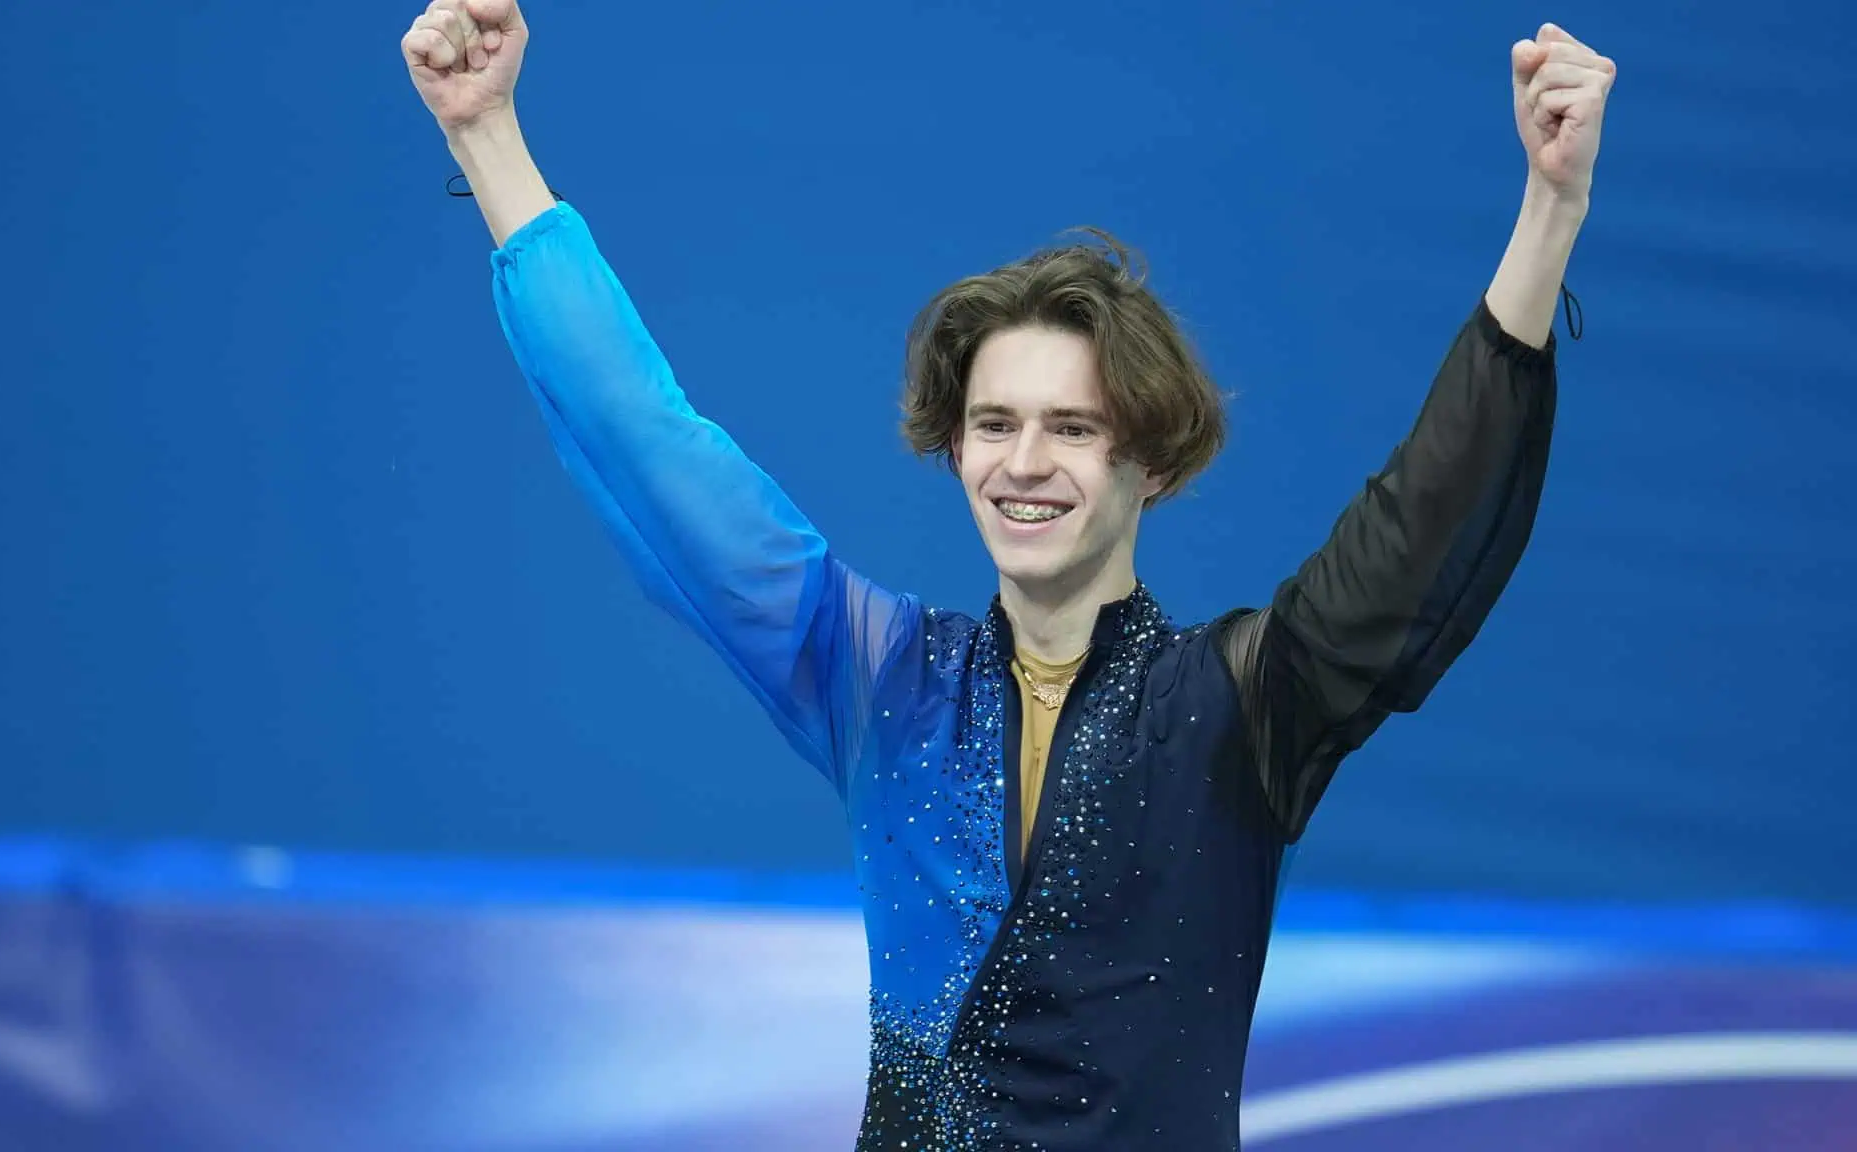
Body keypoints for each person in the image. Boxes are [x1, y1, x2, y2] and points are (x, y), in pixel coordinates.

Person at [401, 4, 1615, 1148]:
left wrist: (1546, 214)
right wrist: (488, 137)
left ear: (1149, 459)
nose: (1021, 465)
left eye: (1071, 430)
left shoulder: (1242, 703)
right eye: (991, 426)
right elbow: (651, 446)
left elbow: (1427, 522)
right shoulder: (876, 679)